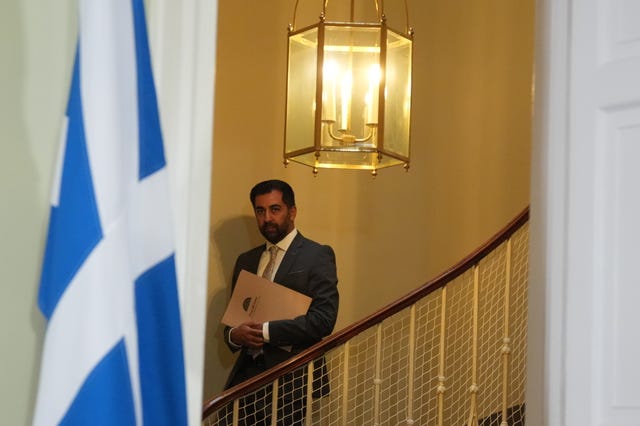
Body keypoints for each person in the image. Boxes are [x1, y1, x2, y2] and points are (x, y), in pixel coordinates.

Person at [222, 179, 339, 426]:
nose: (267, 218)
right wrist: (234, 335)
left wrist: (264, 331)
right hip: (244, 381)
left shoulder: (317, 255)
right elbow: (230, 323)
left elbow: (323, 320)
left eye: (275, 209)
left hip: (290, 382)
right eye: (260, 211)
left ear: (292, 211)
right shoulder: (246, 260)